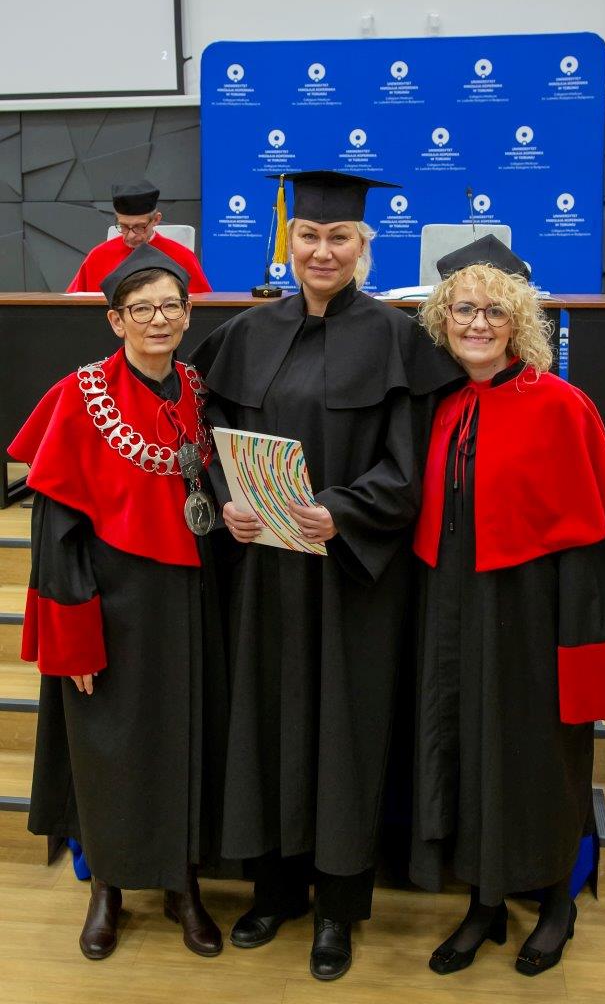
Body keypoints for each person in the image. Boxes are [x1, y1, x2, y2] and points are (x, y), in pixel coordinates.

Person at [190, 170, 462, 981]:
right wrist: (226, 499)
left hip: (350, 577)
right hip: (264, 575)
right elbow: (208, 432)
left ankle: (338, 908)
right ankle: (274, 891)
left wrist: (344, 510)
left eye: (339, 238)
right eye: (308, 235)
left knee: (343, 733)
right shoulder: (246, 332)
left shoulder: (395, 339)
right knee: (267, 723)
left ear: (361, 246)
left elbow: (410, 465)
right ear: (290, 241)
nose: (321, 251)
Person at [410, 235, 605, 977]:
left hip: (535, 612)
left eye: (494, 311)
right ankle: (483, 901)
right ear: (442, 320)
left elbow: (592, 541)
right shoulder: (443, 404)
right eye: (463, 310)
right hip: (455, 606)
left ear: (519, 322)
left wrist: (578, 640)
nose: (477, 323)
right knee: (466, 751)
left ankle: (555, 901)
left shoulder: (560, 405)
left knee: (541, 757)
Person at [9, 244, 225, 961]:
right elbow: (55, 533)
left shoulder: (201, 390)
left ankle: (183, 885)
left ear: (188, 313)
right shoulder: (80, 395)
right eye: (141, 309)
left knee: (187, 739)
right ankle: (107, 887)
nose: (158, 320)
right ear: (114, 319)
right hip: (108, 603)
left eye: (171, 306)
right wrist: (72, 636)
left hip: (188, 601)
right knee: (107, 748)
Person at [66, 180, 212, 293]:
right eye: (123, 226)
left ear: (156, 220)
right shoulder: (98, 256)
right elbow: (73, 303)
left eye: (139, 227)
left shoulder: (181, 256)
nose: (130, 236)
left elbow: (204, 306)